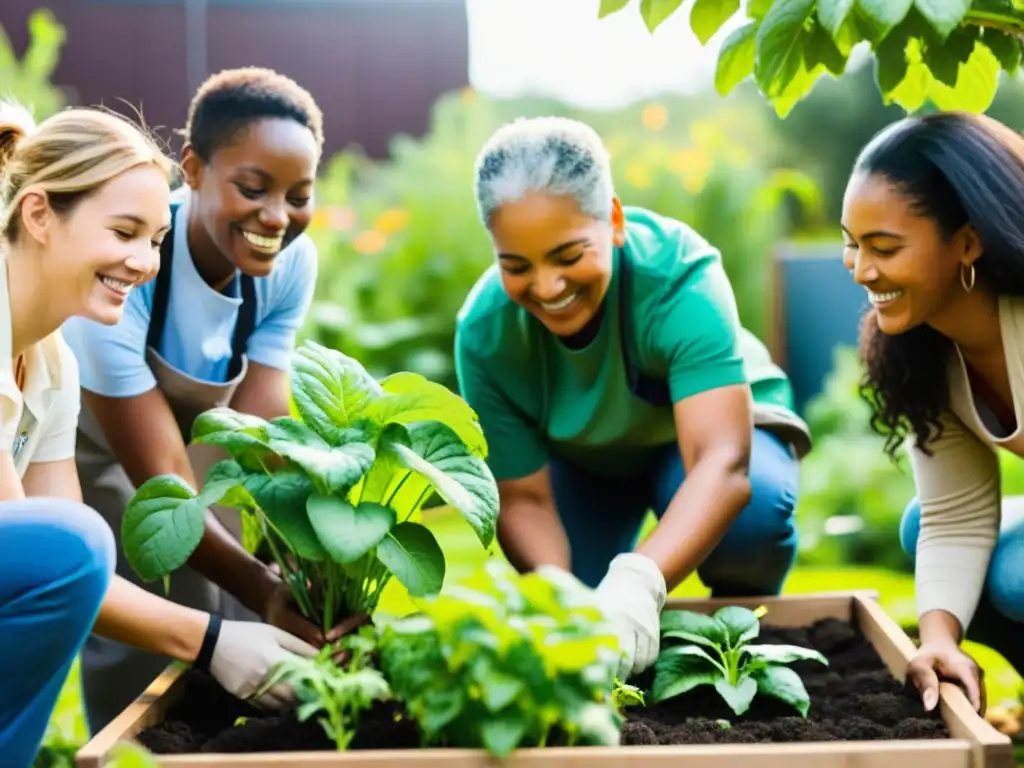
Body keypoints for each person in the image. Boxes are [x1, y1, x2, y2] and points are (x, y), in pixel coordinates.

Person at [0, 102, 320, 768]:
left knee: (75, 551)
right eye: (123, 233)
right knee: (83, 540)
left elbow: (64, 564)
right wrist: (215, 641)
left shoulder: (52, 363)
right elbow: (51, 539)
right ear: (37, 216)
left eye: (153, 240)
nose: (144, 261)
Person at [454, 116, 812, 680]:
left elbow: (721, 463)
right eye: (516, 266)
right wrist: (562, 597)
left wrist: (640, 580)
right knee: (579, 603)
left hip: (697, 446)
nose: (547, 287)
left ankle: (742, 640)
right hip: (585, 463)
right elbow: (522, 497)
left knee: (747, 521)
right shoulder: (485, 332)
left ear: (614, 221)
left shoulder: (678, 276)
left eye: (569, 256)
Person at [57, 67, 360, 734]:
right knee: (149, 596)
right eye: (252, 189)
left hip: (195, 430)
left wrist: (311, 563)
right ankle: (135, 742)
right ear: (191, 169)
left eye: (299, 195)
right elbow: (161, 482)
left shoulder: (287, 263)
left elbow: (260, 425)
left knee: (247, 594)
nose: (276, 217)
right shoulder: (128, 259)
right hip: (92, 442)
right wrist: (262, 583)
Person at [842, 110, 1024, 717]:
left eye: (885, 247)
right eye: (852, 243)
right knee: (922, 524)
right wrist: (938, 640)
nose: (863, 271)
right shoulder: (923, 352)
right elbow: (955, 514)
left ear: (968, 241)